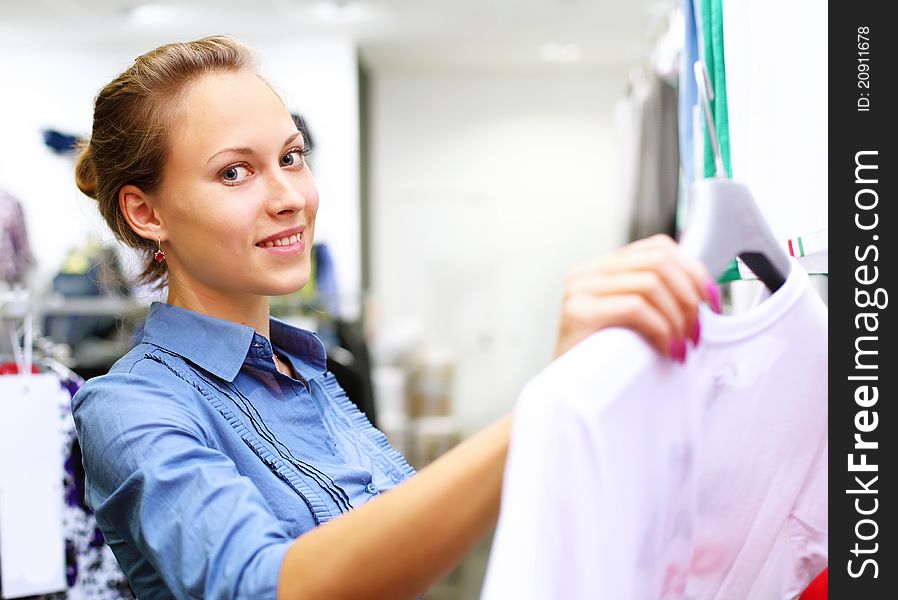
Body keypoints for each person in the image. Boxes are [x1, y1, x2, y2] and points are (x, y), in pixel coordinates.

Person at [71, 35, 716, 599]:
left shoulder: (306, 371)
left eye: (291, 157)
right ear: (146, 213)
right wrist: (548, 405)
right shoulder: (129, 408)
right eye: (236, 172)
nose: (291, 198)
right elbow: (269, 586)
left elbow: (398, 539)